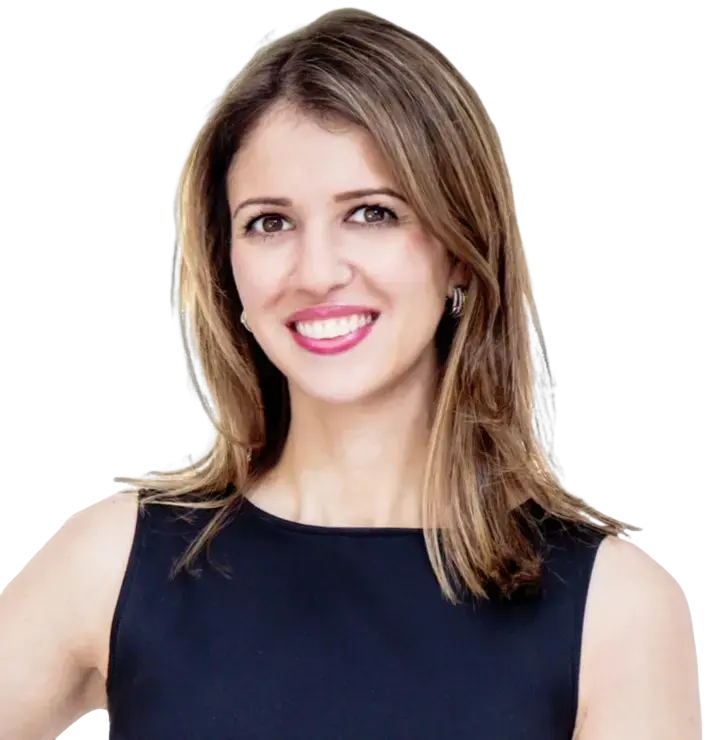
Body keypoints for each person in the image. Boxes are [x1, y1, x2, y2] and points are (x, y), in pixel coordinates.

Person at [0, 8, 702, 739]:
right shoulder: (115, 561)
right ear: (225, 265)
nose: (317, 272)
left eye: (371, 213)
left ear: (462, 251)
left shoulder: (614, 608)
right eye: (270, 222)